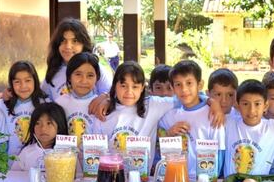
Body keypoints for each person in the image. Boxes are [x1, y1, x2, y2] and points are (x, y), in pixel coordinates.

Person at [91, 61, 223, 159]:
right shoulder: (103, 113)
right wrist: (106, 97)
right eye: (123, 85)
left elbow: (186, 97)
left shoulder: (153, 105)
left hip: (142, 179)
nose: (129, 92)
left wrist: (212, 102)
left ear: (143, 87)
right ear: (115, 85)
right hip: (112, 175)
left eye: (135, 86)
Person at [159, 60, 225, 180]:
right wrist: (169, 133)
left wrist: (211, 180)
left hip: (204, 181)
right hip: (176, 179)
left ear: (199, 85)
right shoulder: (170, 115)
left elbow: (219, 152)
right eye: (178, 84)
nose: (184, 89)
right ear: (172, 88)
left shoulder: (213, 114)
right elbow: (158, 137)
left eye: (189, 83)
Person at [223, 79, 274, 176]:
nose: (251, 110)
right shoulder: (228, 122)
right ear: (237, 105)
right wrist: (211, 102)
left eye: (257, 104)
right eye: (245, 104)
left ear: (265, 106)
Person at [41, 18, 113, 101]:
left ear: (84, 44)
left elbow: (111, 94)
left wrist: (106, 98)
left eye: (75, 41)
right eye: (63, 40)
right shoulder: (53, 71)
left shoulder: (96, 68)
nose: (68, 46)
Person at [0, 61, 49, 156]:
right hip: (11, 167)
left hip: (39, 164)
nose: (23, 86)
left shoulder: (46, 104)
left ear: (35, 81)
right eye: (17, 82)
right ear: (11, 84)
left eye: (28, 80)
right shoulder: (1, 106)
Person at [54, 52, 101, 149]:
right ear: (69, 77)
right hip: (65, 161)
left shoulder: (100, 105)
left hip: (92, 162)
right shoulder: (60, 103)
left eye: (90, 75)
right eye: (78, 74)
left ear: (97, 78)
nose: (84, 81)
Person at [13, 102, 69, 170]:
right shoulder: (26, 152)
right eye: (37, 123)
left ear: (59, 126)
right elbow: (14, 176)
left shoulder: (68, 153)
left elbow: (78, 177)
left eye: (49, 123)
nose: (43, 128)